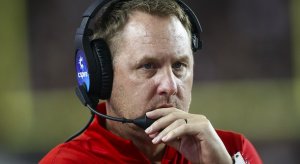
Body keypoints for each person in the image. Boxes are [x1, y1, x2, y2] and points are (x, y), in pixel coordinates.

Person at [40, 0, 262, 163]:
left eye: (179, 66)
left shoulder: (232, 151)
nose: (170, 86)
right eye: (148, 66)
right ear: (101, 75)